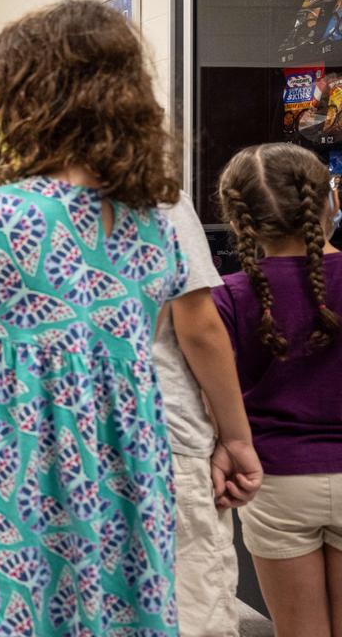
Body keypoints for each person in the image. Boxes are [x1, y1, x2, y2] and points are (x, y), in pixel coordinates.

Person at [0, 0, 187, 633]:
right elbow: (123, 362)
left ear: (27, 102)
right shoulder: (155, 228)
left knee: (9, 610)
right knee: (117, 607)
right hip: (124, 473)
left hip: (0, 466)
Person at [212, 142, 342, 636]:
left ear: (240, 221)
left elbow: (214, 396)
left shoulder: (227, 296)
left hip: (278, 482)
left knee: (298, 629)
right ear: (330, 201)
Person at [153, 195, 262, 635]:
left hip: (38, 450)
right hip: (163, 435)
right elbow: (198, 328)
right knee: (188, 607)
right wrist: (236, 439)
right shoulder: (156, 199)